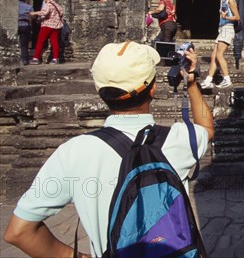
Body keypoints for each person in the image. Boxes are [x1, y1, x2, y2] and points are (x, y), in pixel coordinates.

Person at [3, 41, 214, 257]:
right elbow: (206, 127)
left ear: (100, 92)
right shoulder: (178, 140)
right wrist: (191, 83)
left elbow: (18, 232)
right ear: (153, 89)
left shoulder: (73, 153)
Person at [200, 0, 240, 89]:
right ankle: (208, 80)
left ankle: (227, 79)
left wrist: (225, 17)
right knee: (213, 56)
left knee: (219, 55)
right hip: (222, 29)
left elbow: (237, 17)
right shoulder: (224, 1)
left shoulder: (230, 1)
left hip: (227, 29)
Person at [30, 0, 63, 64]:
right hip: (56, 26)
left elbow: (44, 12)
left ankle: (36, 58)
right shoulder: (58, 6)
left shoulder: (48, 5)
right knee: (54, 42)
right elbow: (61, 14)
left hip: (47, 25)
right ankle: (55, 58)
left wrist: (34, 13)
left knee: (40, 41)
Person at [17, 0, 33, 65]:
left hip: (16, 25)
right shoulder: (29, 7)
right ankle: (24, 60)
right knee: (24, 44)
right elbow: (33, 16)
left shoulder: (15, 6)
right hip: (25, 25)